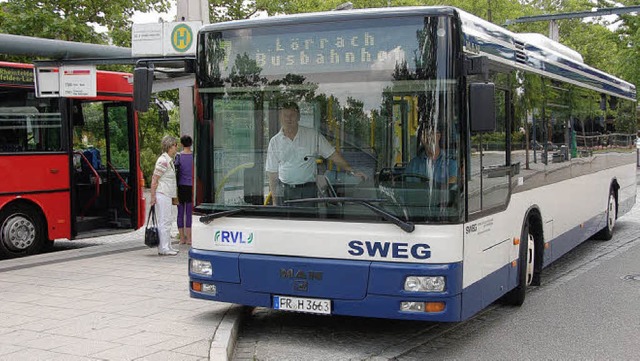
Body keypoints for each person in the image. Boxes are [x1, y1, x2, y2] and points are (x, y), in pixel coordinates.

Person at [266, 102, 365, 206]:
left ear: (299, 117)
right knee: (286, 222)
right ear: (280, 118)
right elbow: (272, 173)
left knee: (309, 221)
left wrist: (352, 170)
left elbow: (332, 154)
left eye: (292, 115)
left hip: (308, 191)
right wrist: (274, 201)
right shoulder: (275, 142)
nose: (289, 118)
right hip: (285, 191)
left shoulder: (312, 136)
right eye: (285, 115)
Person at [150, 135, 179, 256]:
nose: (176, 148)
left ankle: (167, 245)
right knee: (164, 221)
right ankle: (163, 247)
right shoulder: (163, 161)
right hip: (163, 194)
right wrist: (152, 197)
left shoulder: (168, 160)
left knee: (167, 220)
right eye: (175, 145)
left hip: (167, 194)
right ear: (170, 146)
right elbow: (154, 179)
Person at [175, 135, 193, 245]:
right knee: (189, 213)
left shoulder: (178, 157)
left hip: (180, 187)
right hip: (191, 188)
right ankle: (190, 239)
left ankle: (182, 239)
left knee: (180, 213)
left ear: (181, 144)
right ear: (191, 144)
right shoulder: (194, 156)